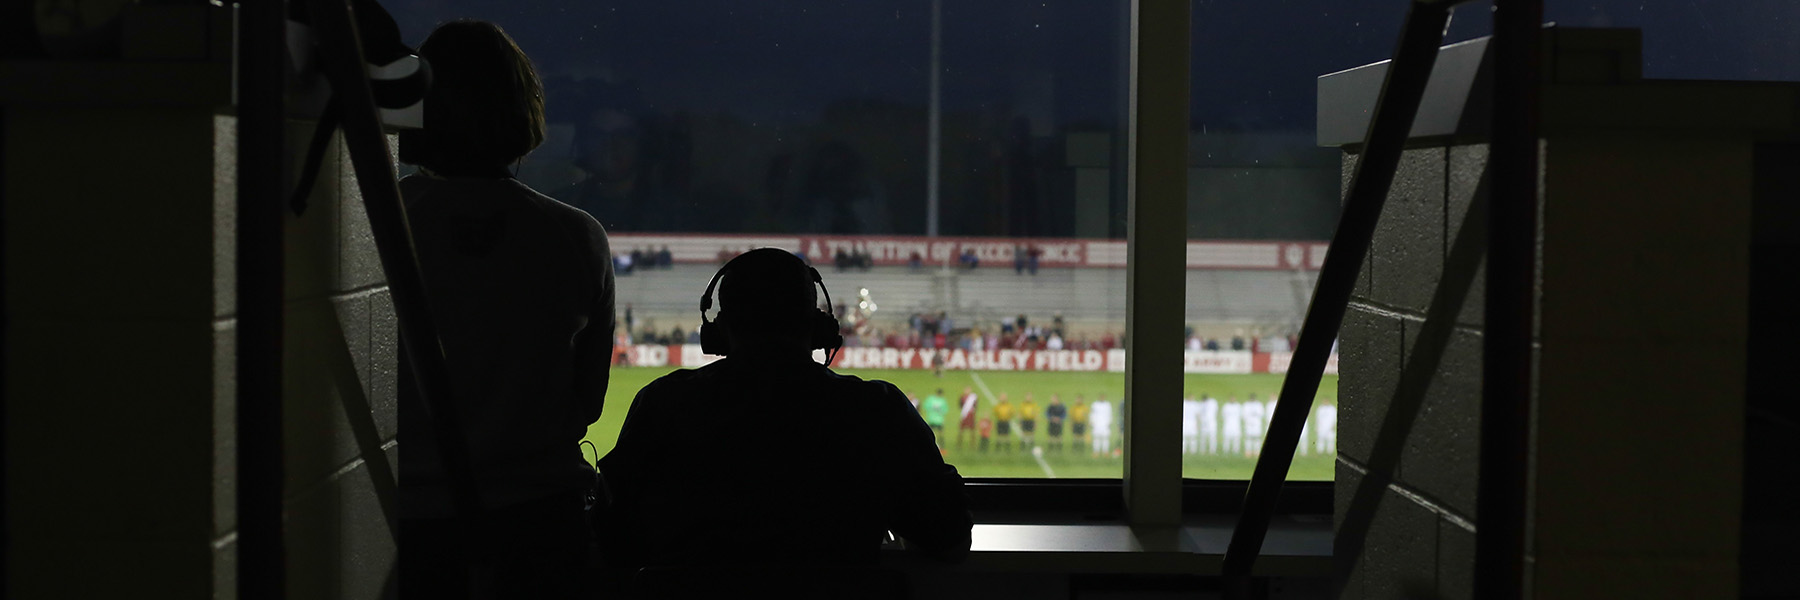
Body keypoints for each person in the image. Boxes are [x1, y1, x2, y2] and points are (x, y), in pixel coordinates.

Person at [394, 21, 614, 600]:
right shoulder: (576, 235)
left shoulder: (375, 225)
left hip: (402, 519)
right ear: (523, 111)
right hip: (539, 523)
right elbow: (585, 404)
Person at [598, 248, 970, 569]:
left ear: (718, 331)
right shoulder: (877, 410)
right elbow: (949, 537)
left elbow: (610, 535)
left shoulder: (664, 404)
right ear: (820, 329)